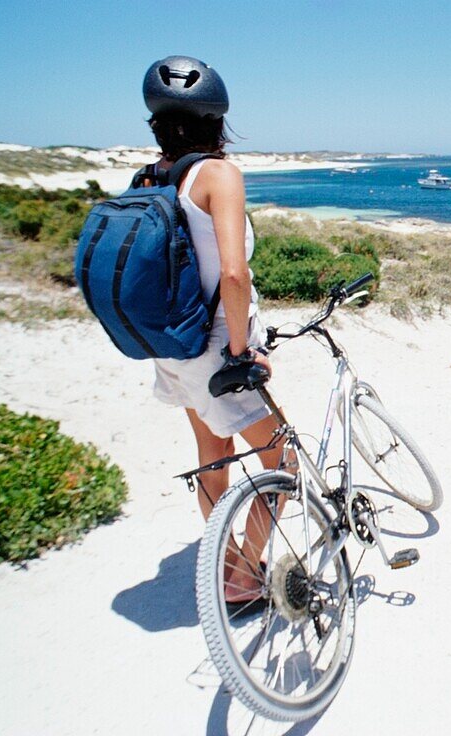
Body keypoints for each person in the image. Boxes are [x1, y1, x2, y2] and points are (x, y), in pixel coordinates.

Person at [142, 56, 280, 605]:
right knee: (280, 460)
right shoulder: (218, 175)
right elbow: (232, 273)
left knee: (214, 453)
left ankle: (223, 562)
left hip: (172, 342)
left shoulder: (154, 175)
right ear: (218, 121)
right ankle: (245, 579)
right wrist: (243, 353)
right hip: (217, 344)